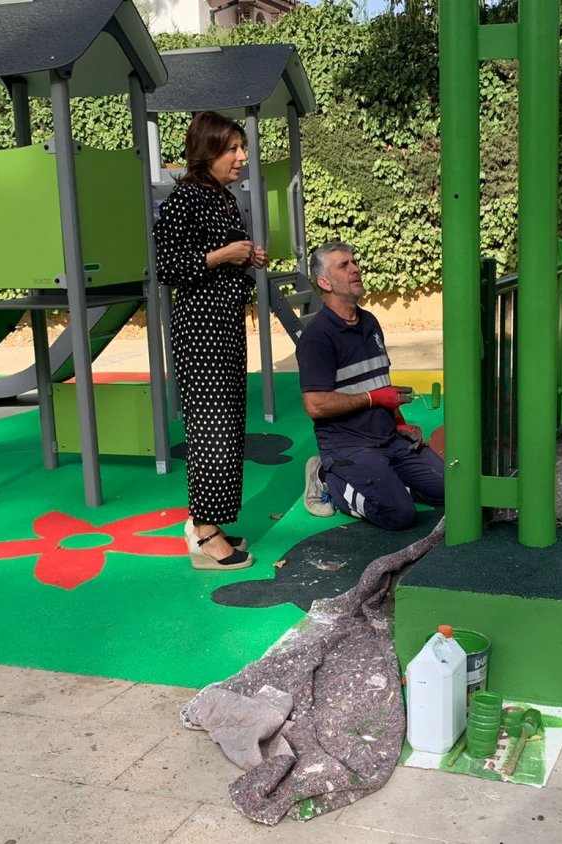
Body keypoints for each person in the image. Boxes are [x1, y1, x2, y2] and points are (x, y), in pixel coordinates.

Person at [153, 112, 268, 570]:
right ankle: (203, 532)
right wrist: (222, 255)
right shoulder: (186, 197)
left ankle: (213, 520)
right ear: (208, 152)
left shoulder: (221, 196)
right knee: (210, 430)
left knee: (228, 425)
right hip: (201, 328)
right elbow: (167, 265)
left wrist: (247, 256)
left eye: (241, 148)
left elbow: (218, 257)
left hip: (222, 323)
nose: (242, 157)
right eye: (232, 149)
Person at [295, 242, 445, 530]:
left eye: (354, 262)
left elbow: (379, 383)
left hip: (388, 438)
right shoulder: (318, 337)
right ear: (325, 283)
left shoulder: (370, 322)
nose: (356, 269)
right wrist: (374, 399)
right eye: (344, 266)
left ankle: (387, 481)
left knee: (451, 491)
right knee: (398, 514)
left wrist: (399, 422)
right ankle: (327, 477)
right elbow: (315, 405)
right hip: (349, 447)